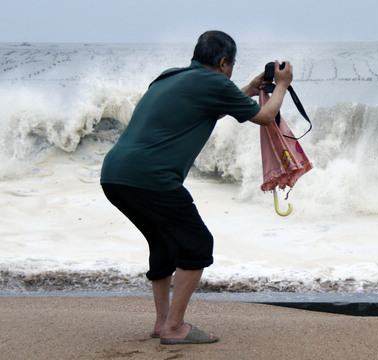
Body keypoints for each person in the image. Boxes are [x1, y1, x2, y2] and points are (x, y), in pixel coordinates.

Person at [100, 30, 293, 345]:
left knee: (164, 244)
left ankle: (162, 322)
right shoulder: (216, 84)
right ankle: (175, 328)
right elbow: (265, 116)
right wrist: (282, 85)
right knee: (197, 245)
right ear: (222, 62)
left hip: (115, 175)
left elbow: (205, 107)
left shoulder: (170, 76)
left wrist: (247, 89)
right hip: (152, 178)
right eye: (231, 65)